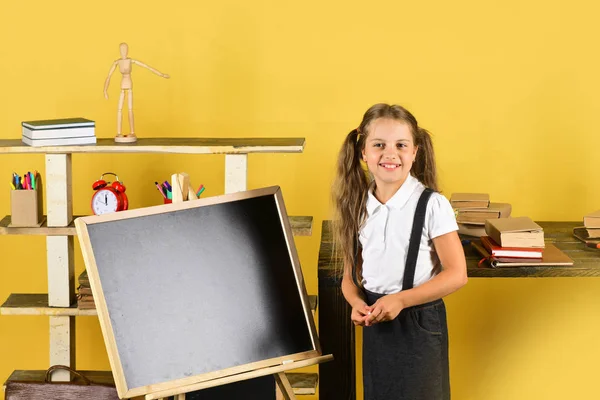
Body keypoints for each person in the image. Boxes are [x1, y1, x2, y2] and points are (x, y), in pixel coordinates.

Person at [332, 103, 467, 400]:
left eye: (401, 145)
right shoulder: (358, 205)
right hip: (376, 323)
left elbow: (457, 274)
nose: (390, 154)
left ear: (415, 152)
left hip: (419, 322)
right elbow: (350, 277)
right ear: (363, 152)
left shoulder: (431, 204)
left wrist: (400, 300)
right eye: (379, 144)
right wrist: (355, 302)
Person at [103, 43, 169, 142]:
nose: (123, 52)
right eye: (122, 50)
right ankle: (119, 132)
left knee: (130, 109)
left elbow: (146, 67)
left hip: (129, 85)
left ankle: (132, 131)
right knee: (119, 109)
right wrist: (105, 90)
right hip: (122, 85)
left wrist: (161, 74)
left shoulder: (131, 61)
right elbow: (109, 76)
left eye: (125, 50)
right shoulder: (117, 62)